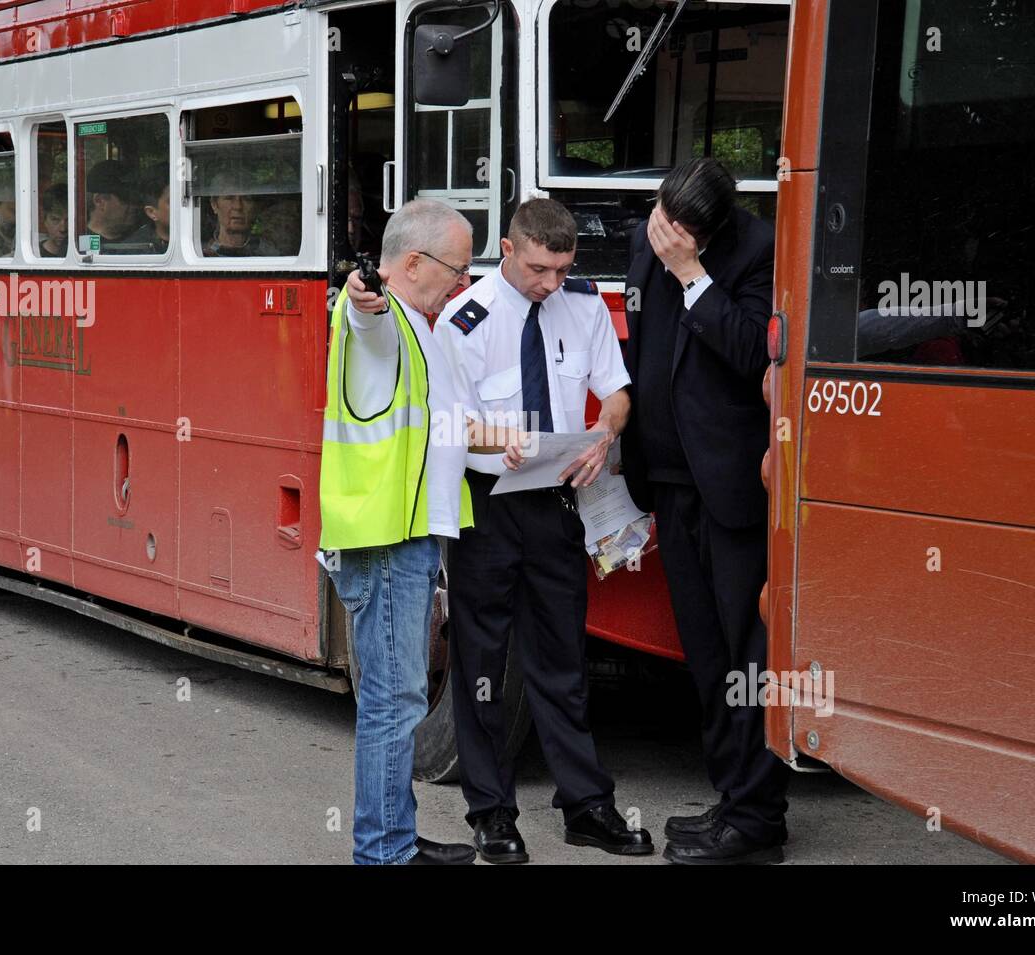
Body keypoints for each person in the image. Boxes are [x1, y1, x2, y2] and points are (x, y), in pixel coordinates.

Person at [433, 198, 651, 863]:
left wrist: (603, 434)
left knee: (563, 663)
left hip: (556, 503)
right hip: (489, 505)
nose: (550, 283)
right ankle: (492, 814)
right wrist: (506, 440)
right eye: (537, 269)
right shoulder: (462, 321)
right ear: (506, 248)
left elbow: (617, 391)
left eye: (561, 269)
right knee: (482, 666)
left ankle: (586, 807)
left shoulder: (582, 308)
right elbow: (451, 426)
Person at [621, 157, 790, 864]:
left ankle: (756, 819)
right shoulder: (644, 236)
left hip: (731, 486)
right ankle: (732, 801)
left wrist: (694, 276)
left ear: (714, 228)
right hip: (667, 478)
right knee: (706, 654)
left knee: (748, 654)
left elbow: (757, 351)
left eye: (684, 231)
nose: (667, 237)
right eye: (665, 219)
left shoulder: (758, 249)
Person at [320, 198, 489, 865]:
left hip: (405, 537)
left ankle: (393, 836)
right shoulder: (380, 316)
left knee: (399, 697)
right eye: (459, 267)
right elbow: (369, 320)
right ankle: (383, 851)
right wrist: (365, 293)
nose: (467, 283)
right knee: (394, 702)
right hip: (386, 540)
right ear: (414, 263)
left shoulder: (424, 325)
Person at [203, 171, 273, 256]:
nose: (238, 206)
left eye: (246, 198)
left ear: (255, 206)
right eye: (229, 198)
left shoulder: (269, 255)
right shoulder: (200, 254)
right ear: (214, 205)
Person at [83, 160, 139, 248]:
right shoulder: (76, 247)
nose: (134, 205)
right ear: (99, 201)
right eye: (125, 198)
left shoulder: (143, 241)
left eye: (136, 198)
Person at [125, 173, 169, 254]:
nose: (183, 206)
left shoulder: (197, 240)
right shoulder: (134, 249)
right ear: (151, 212)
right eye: (172, 201)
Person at [39, 183, 69, 258]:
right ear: (44, 218)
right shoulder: (33, 256)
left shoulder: (83, 256)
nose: (63, 229)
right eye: (55, 220)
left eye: (69, 220)